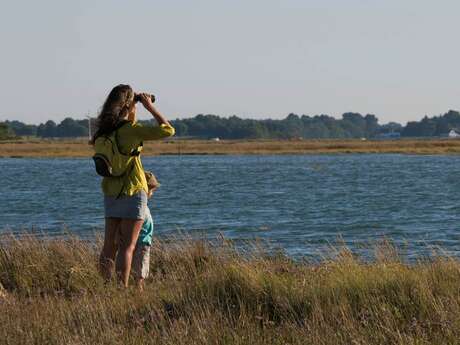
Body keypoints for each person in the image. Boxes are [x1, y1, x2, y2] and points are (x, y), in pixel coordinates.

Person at [92, 84, 174, 287]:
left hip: (110, 192)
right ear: (127, 104)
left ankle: (105, 286)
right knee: (128, 246)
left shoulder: (101, 132)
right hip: (133, 191)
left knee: (109, 246)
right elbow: (168, 130)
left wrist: (131, 110)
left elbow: (123, 137)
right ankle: (122, 288)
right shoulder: (130, 130)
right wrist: (148, 106)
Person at [115, 171, 159, 290]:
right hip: (142, 243)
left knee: (137, 268)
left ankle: (130, 287)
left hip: (138, 242)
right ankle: (139, 291)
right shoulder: (141, 208)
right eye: (151, 191)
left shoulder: (136, 206)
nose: (152, 194)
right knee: (140, 271)